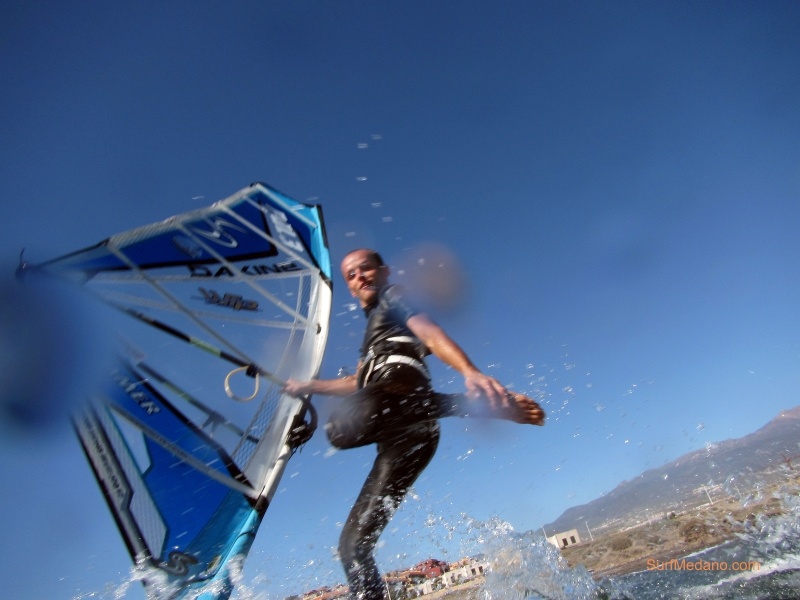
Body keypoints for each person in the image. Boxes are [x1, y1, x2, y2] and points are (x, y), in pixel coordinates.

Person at [283, 248, 544, 599]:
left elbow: (430, 333)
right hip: (410, 434)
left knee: (338, 428)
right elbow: (357, 383)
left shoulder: (394, 297)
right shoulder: (373, 336)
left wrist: (470, 372)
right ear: (349, 288)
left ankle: (474, 404)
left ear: (384, 272)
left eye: (366, 269)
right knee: (352, 547)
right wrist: (309, 386)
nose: (360, 277)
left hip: (405, 395)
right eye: (351, 275)